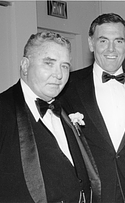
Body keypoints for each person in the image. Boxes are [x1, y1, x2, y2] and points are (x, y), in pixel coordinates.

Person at [59, 13, 125, 203]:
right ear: (91, 44)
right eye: (103, 41)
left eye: (118, 41)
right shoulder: (68, 86)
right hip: (91, 194)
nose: (111, 49)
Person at [0, 31, 101, 202]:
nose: (59, 75)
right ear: (25, 65)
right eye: (49, 63)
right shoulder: (3, 110)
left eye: (65, 66)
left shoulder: (67, 108)